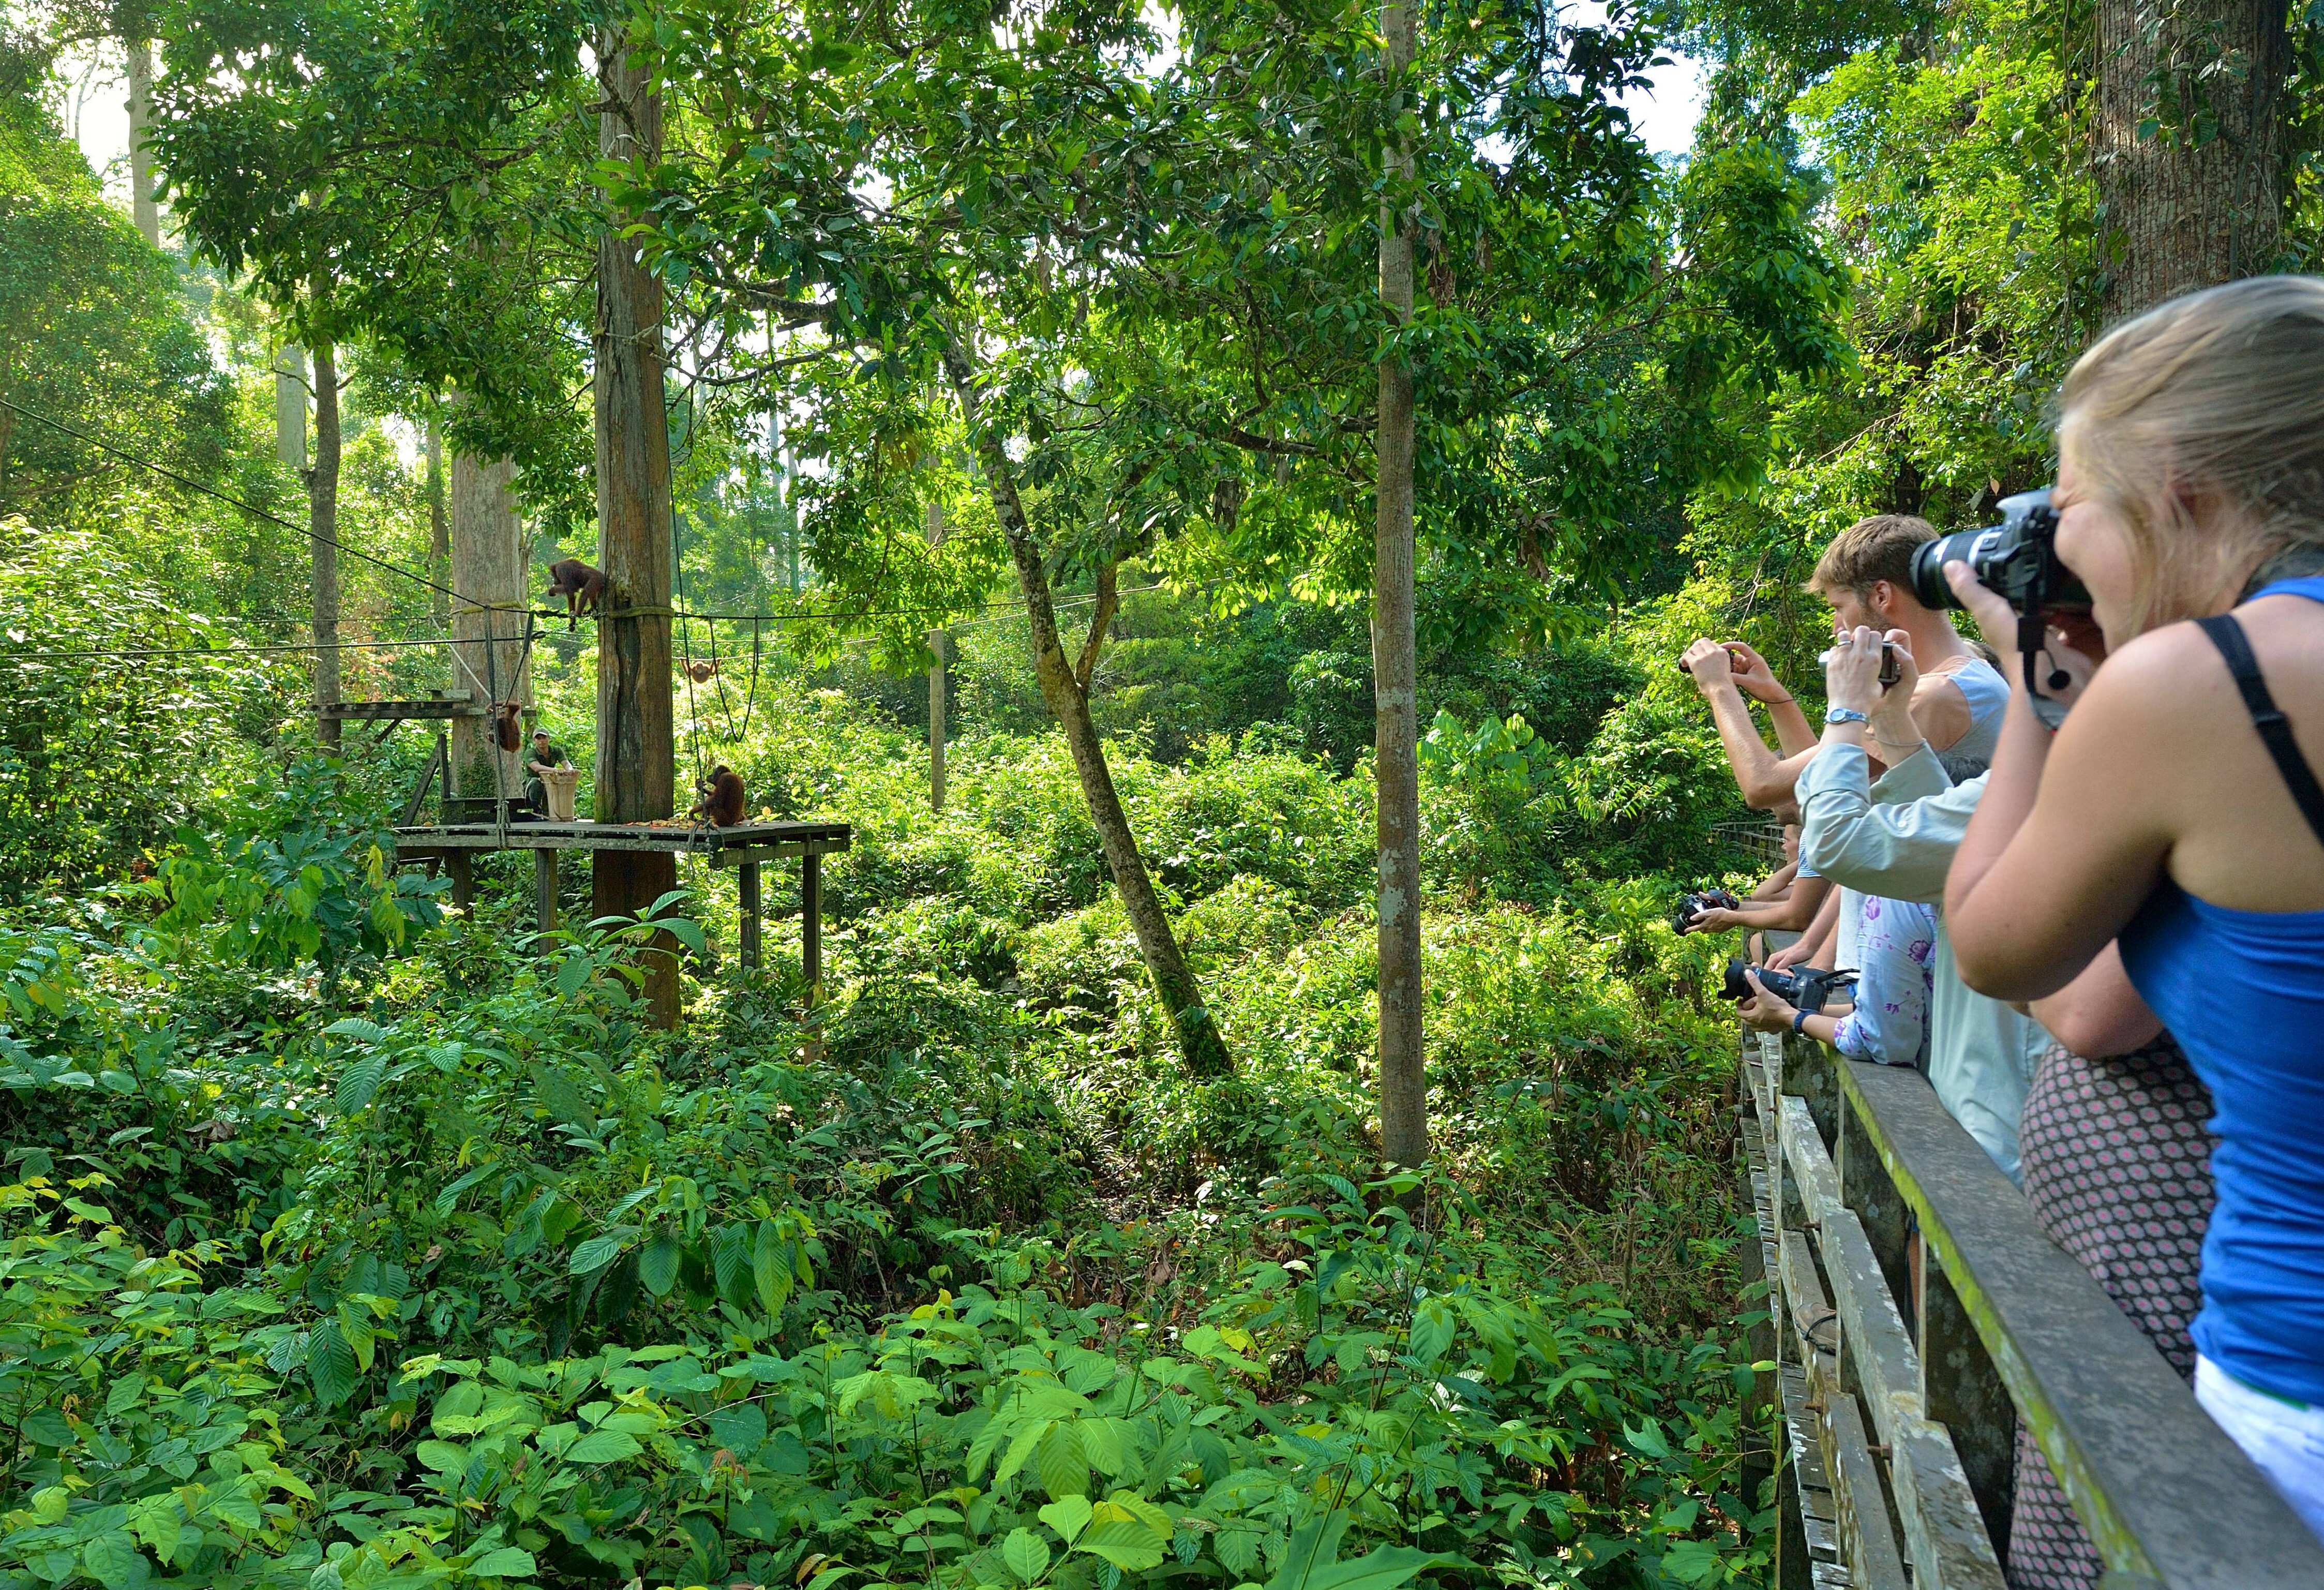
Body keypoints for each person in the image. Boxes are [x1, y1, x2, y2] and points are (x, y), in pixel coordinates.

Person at [1942, 276, 2324, 1542]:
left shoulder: (2201, 688)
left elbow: (1995, 943)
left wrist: (2033, 684)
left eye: (2076, 506)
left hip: (2295, 1392)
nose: (2062, 547)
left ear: (2174, 485)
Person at [1792, 631, 2048, 1180]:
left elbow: (1837, 842)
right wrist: (1889, 714)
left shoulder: (2041, 789)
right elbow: (1937, 828)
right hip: (1994, 1120)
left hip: (1999, 1145)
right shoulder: (2046, 787)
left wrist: (1844, 712)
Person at [523, 728, 570, 818]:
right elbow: (536, 767)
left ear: (549, 739)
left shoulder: (556, 751)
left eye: (544, 738)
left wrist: (570, 771)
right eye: (538, 738)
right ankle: (537, 811)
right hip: (532, 784)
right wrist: (555, 770)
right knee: (537, 782)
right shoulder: (530, 752)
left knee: (566, 782)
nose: (542, 741)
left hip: (550, 780)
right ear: (534, 740)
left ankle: (565, 812)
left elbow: (566, 763)